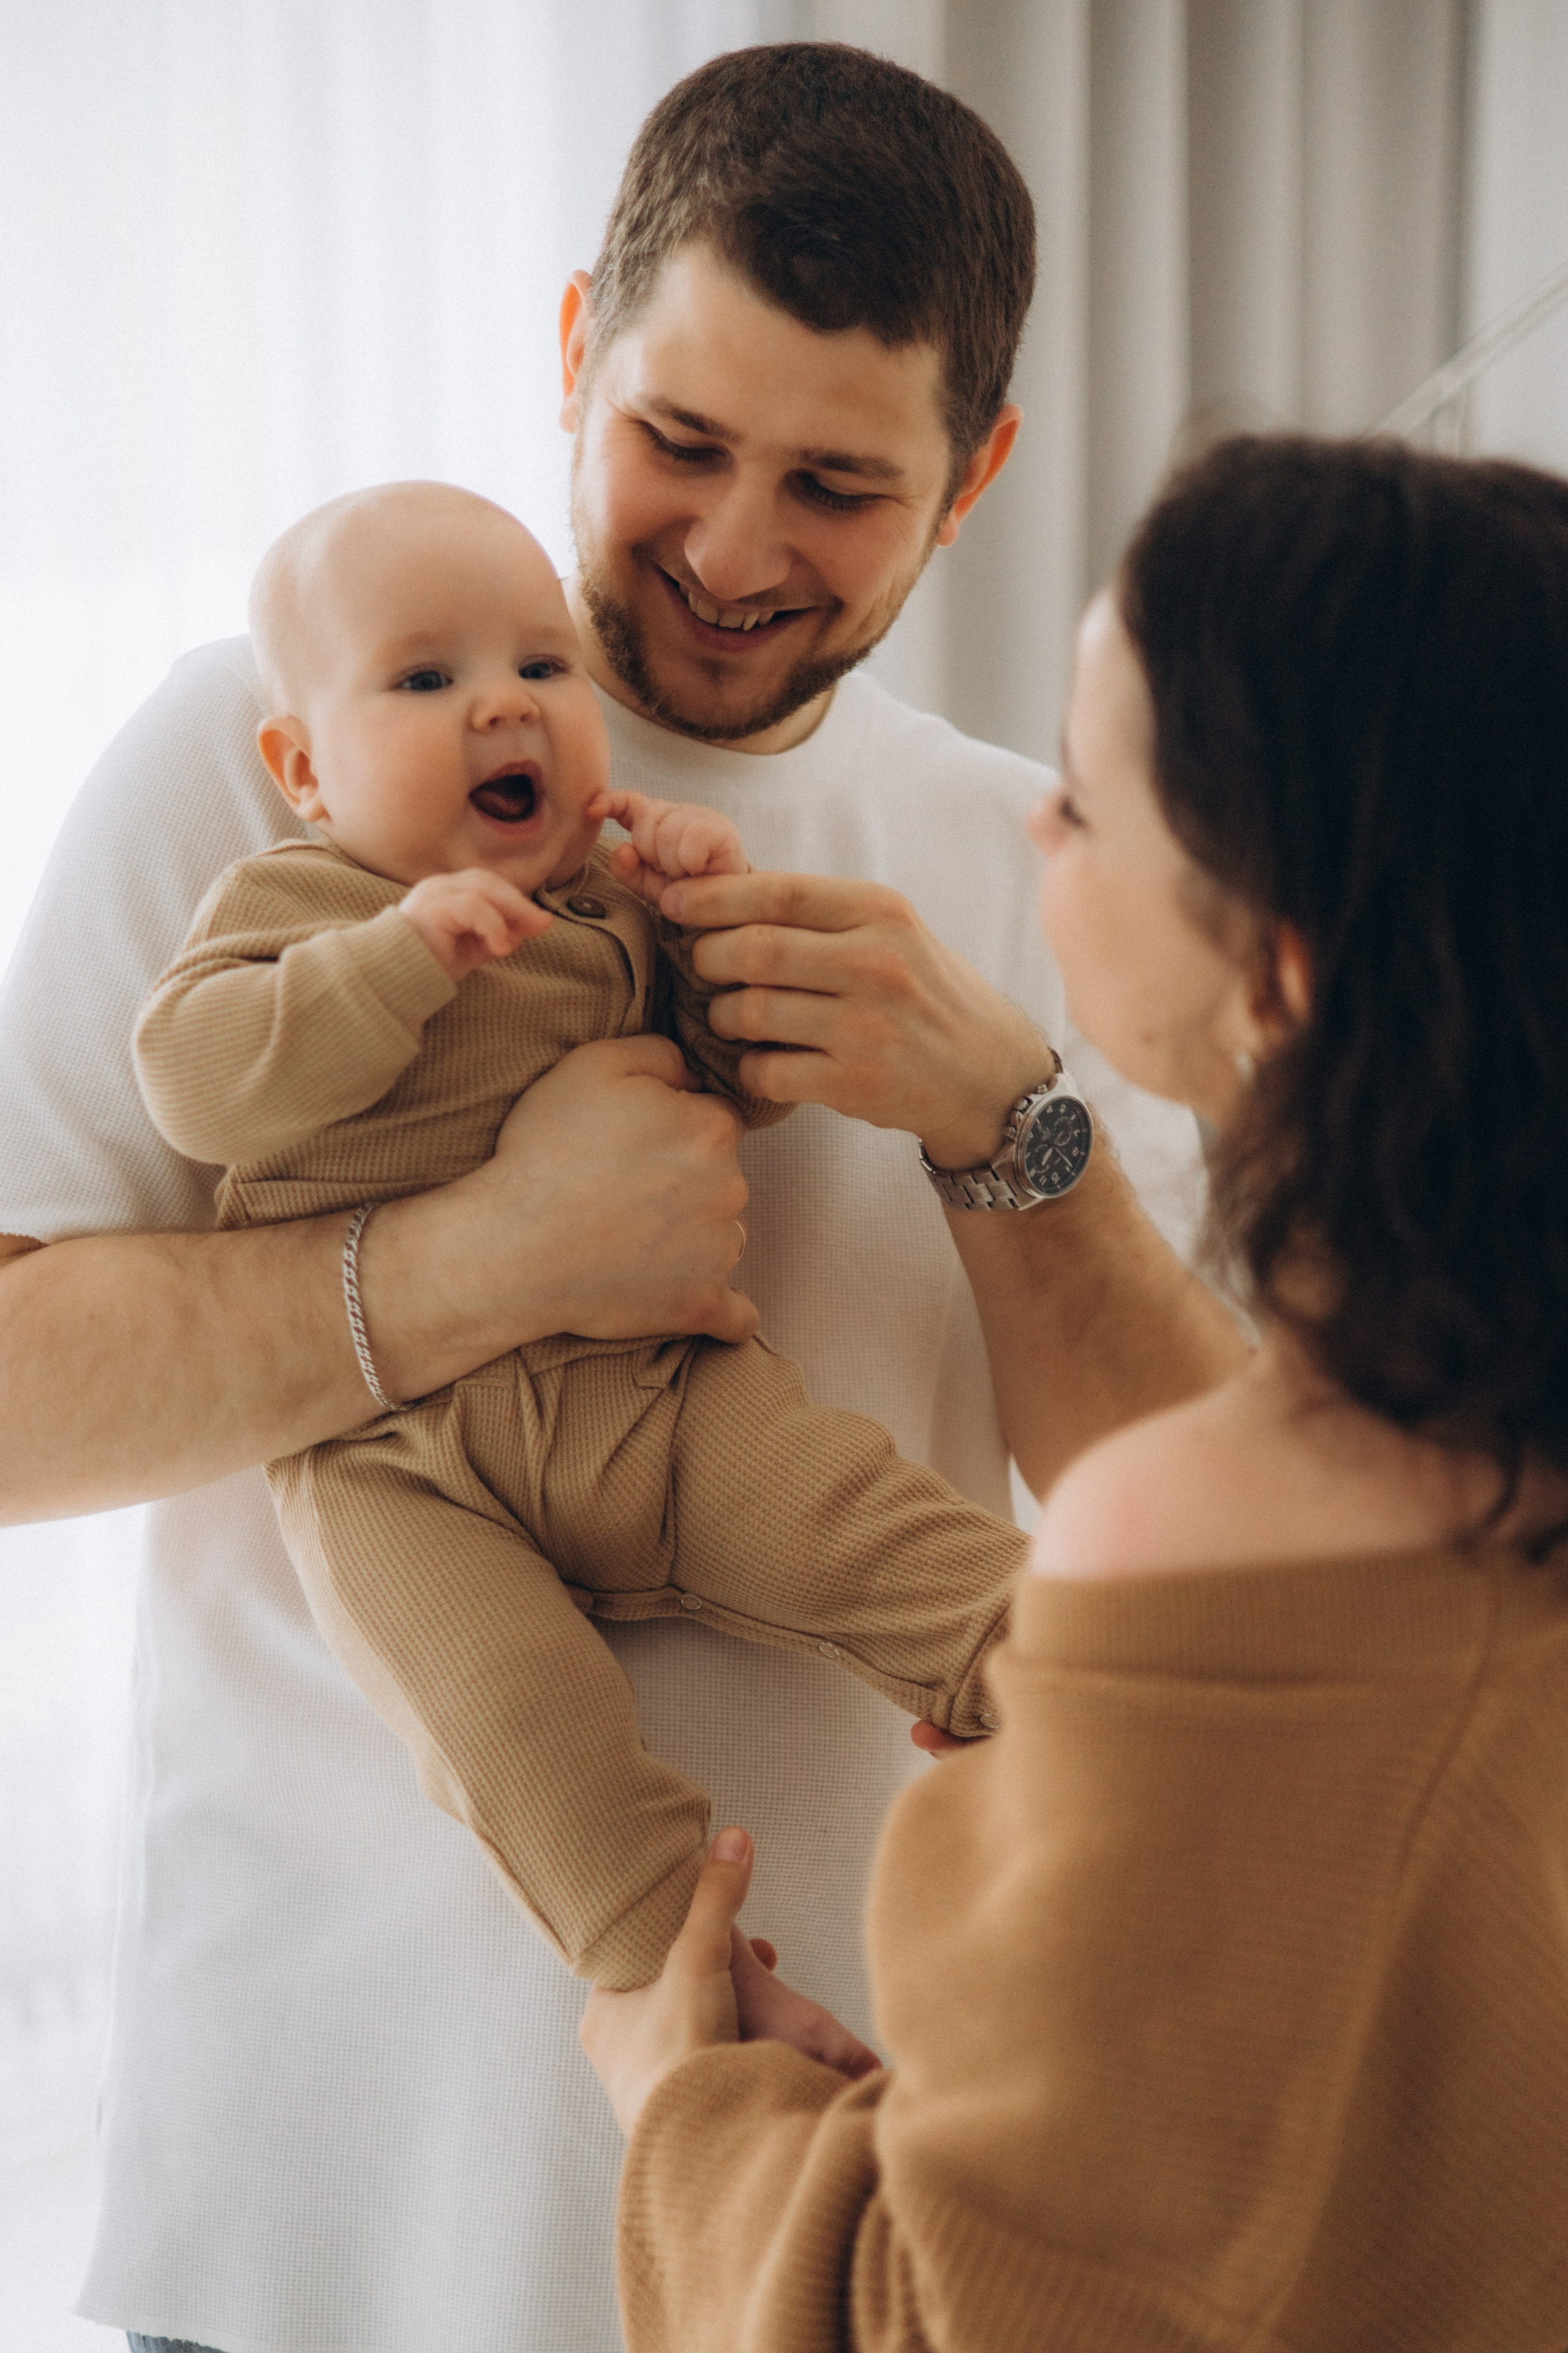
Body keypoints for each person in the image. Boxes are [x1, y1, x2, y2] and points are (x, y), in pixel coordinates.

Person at [0, 45, 1235, 2353]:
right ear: (577, 346)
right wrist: (476, 1270)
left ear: (973, 477)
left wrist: (1004, 1116)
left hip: (826, 2219)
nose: (740, 546)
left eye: (840, 484)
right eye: (680, 441)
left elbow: (1194, 1497)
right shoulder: (265, 743)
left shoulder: (1026, 852)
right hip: (309, 2227)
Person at [582, 434, 1568, 2353]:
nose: (1038, 834)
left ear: (1276, 978)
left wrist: (687, 2106)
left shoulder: (1215, 1526)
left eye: (1092, 813)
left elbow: (952, 2322)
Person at [136, 480, 1024, 2013]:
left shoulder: (604, 906)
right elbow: (199, 1083)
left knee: (855, 1516)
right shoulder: (292, 907)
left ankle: (1053, 1677)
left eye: (541, 668)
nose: (504, 709)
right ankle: (685, 1974)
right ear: (302, 768)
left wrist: (701, 920)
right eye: (426, 680)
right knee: (504, 1720)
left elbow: (731, 1094)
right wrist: (391, 960)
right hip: (395, 1459)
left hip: (654, 1396)